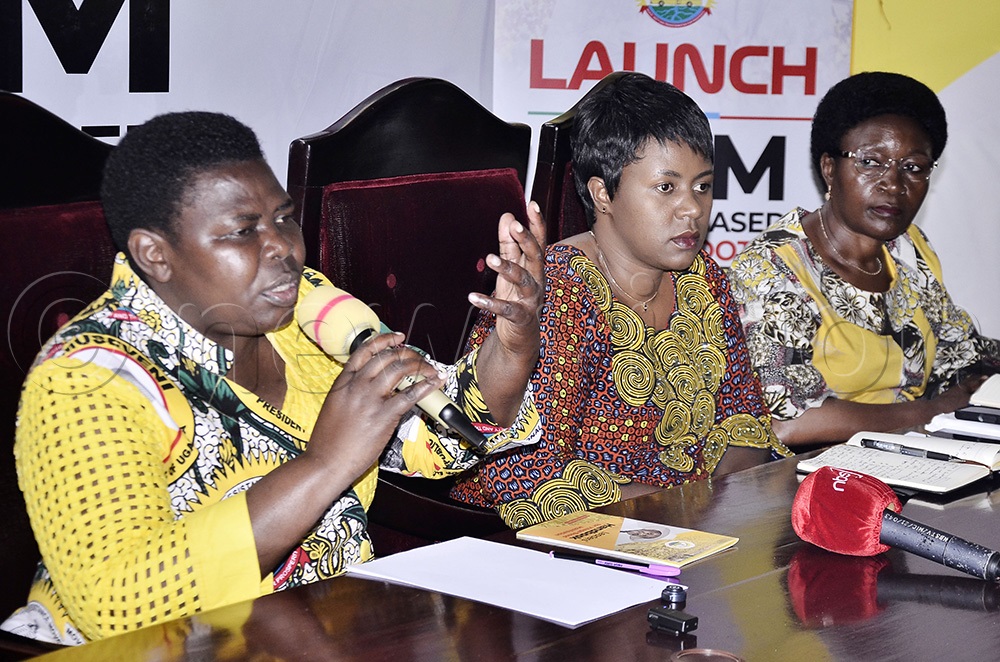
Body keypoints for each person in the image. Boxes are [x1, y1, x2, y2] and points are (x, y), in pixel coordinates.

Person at [1, 111, 545, 644]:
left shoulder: (307, 310)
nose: (283, 247)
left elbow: (447, 437)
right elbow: (120, 606)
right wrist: (326, 464)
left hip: (323, 631)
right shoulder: (85, 379)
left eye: (283, 218)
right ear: (156, 255)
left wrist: (513, 345)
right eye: (243, 231)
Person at [450, 72, 790, 528]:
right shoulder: (558, 292)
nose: (692, 208)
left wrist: (718, 508)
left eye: (703, 186)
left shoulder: (703, 278)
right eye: (666, 188)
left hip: (691, 530)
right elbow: (522, 468)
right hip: (561, 542)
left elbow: (743, 417)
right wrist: (677, 513)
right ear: (602, 194)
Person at [729, 72, 999, 447]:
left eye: (913, 167)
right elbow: (787, 422)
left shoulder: (909, 249)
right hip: (805, 479)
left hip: (912, 461)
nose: (894, 184)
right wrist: (928, 413)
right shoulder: (772, 269)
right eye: (871, 162)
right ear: (829, 168)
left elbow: (958, 352)